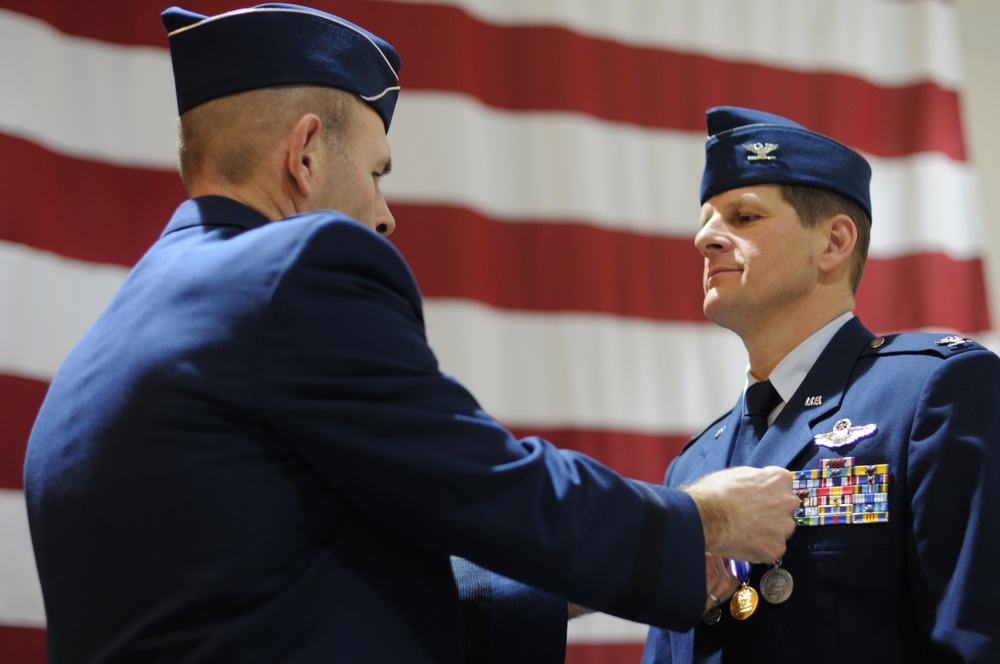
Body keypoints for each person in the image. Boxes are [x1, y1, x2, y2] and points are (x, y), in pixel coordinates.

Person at [21, 6, 800, 663]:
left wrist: (573, 581)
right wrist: (702, 519)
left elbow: (285, 598)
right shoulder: (292, 271)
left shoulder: (112, 338)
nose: (386, 213)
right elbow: (489, 484)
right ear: (304, 155)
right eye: (377, 170)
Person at [640, 106, 1000, 662]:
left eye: (744, 217)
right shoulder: (693, 467)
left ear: (833, 243)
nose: (704, 238)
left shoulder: (932, 393)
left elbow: (974, 636)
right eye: (707, 218)